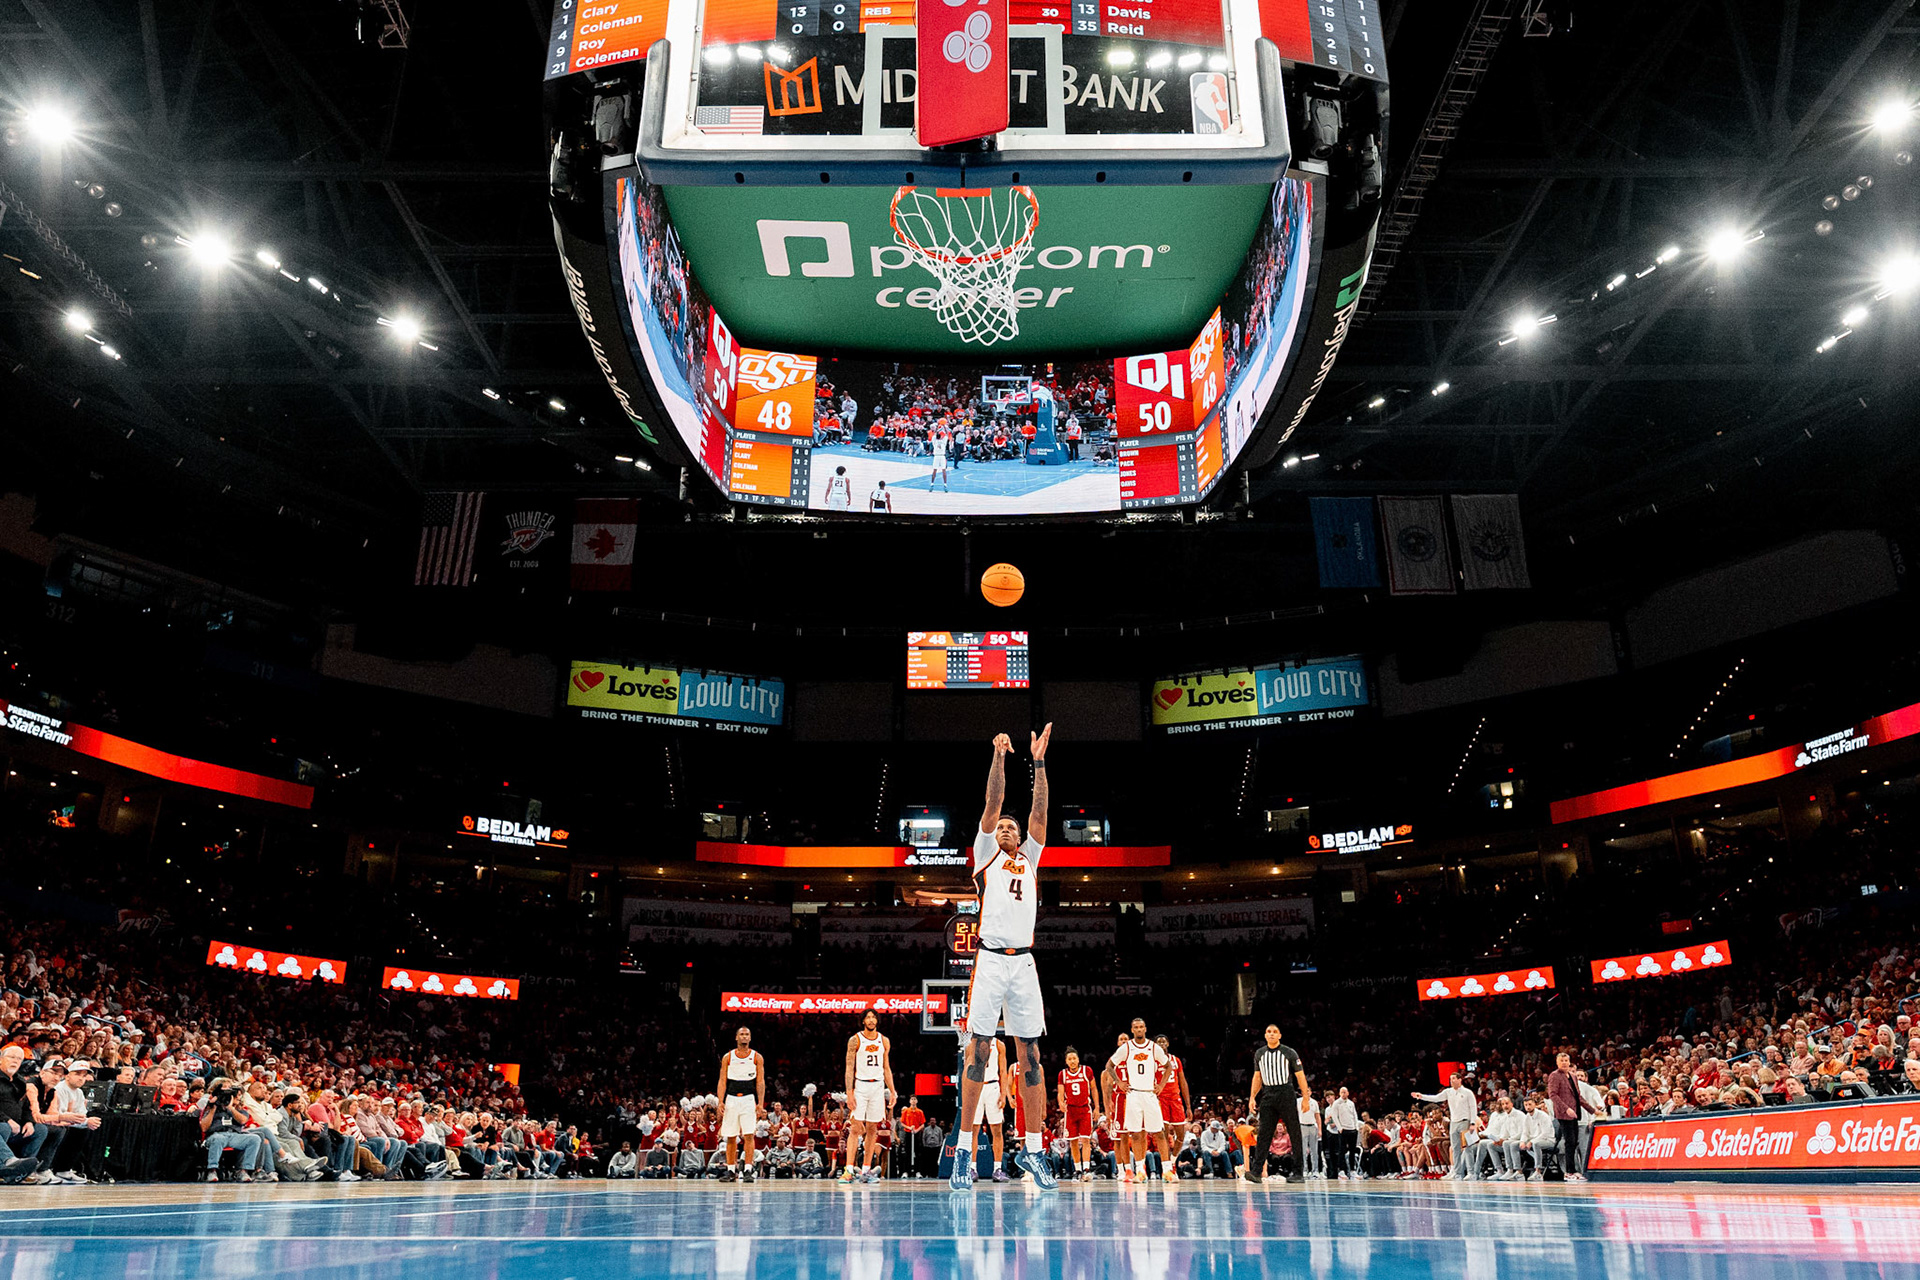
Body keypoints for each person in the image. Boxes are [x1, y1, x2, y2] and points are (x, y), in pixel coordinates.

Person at [950, 724, 1058, 1192]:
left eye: (1014, 829)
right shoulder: (985, 855)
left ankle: (1033, 1152)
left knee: (1030, 1055)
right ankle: (963, 1152)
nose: (1010, 829)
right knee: (977, 1050)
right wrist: (999, 756)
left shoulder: (1030, 857)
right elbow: (994, 805)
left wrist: (1037, 762)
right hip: (991, 961)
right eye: (1004, 828)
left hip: (1025, 963)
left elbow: (1039, 811)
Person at [1246, 1024, 1309, 1185]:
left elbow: (1300, 1076)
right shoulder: (1260, 1054)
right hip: (1267, 1094)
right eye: (1269, 1032)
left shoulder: (1289, 1052)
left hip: (1286, 1093)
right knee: (1264, 1134)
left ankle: (1298, 1172)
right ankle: (1256, 1172)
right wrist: (1252, 1097)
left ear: (1280, 1036)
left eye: (1275, 1032)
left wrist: (1306, 1098)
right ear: (1265, 1036)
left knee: (1294, 1133)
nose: (1272, 1034)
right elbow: (1257, 1077)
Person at [1110, 1019, 1172, 1182]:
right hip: (1133, 1094)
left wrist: (1162, 1084)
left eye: (1141, 1027)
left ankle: (1167, 1170)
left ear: (1145, 1029)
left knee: (1159, 1132)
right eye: (1135, 1027)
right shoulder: (1127, 1047)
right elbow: (1109, 1065)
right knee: (1136, 1134)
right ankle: (1140, 1171)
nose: (1138, 1029)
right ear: (1132, 1030)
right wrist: (1119, 1082)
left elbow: (1168, 1066)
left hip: (1150, 1094)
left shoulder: (1153, 1047)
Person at [840, 1009, 894, 1184]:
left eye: (873, 1017)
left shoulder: (884, 1040)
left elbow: (886, 1068)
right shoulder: (855, 1040)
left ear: (877, 1021)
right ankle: (848, 1170)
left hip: (878, 1086)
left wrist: (892, 1091)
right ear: (863, 1021)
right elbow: (849, 1067)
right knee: (855, 1128)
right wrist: (849, 1093)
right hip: (860, 1085)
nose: (871, 1020)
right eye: (868, 1017)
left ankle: (866, 1170)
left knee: (873, 1129)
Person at [714, 1026, 765, 1183]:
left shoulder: (757, 1057)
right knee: (730, 1136)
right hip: (731, 1098)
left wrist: (760, 1104)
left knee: (749, 1135)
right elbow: (722, 1080)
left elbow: (760, 1081)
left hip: (749, 1098)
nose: (744, 1037)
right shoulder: (728, 1057)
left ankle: (748, 1170)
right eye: (741, 1034)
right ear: (736, 1037)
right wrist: (720, 1101)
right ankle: (731, 1170)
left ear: (750, 1038)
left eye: (747, 1034)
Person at [1412, 1072, 1477, 1179]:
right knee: (1455, 1148)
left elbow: (1473, 1108)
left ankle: (1471, 1173)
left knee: (1467, 1147)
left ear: (1460, 1080)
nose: (1451, 1081)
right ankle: (1458, 1172)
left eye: (1453, 1079)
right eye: (1450, 1079)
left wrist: (1473, 1123)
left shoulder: (1467, 1092)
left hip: (1465, 1121)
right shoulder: (1448, 1092)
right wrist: (1421, 1096)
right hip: (1454, 1122)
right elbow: (1436, 1098)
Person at [1547, 1052, 1599, 1182]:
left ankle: (1573, 1170)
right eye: (1561, 1060)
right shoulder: (1554, 1076)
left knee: (1574, 1142)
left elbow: (1578, 1097)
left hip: (1575, 1113)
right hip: (1564, 1114)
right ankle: (1569, 1172)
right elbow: (1553, 1095)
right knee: (1569, 1142)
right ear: (1557, 1062)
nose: (1564, 1062)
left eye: (1566, 1060)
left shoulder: (1573, 1076)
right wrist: (1566, 1109)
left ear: (1569, 1062)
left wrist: (1592, 1110)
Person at [1057, 1046, 1097, 1181]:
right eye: (1070, 1059)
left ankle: (1086, 1169)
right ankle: (1077, 1170)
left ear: (1078, 1059)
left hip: (1085, 1109)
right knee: (1073, 1142)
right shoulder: (1063, 1074)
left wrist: (1096, 1107)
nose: (1072, 1061)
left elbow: (1094, 1089)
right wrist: (1061, 1103)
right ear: (1066, 1061)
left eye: (1074, 1058)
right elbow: (1060, 1093)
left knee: (1086, 1140)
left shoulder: (1087, 1071)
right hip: (1071, 1111)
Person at [1155, 1035, 1192, 1132]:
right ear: (1155, 1045)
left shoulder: (1175, 1060)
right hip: (1161, 1098)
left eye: (1164, 1042)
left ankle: (1176, 1148)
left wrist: (1188, 1106)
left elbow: (1183, 1083)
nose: (1162, 1044)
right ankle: (1165, 1148)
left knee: (1180, 1133)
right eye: (1159, 1042)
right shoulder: (1152, 1061)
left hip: (1175, 1098)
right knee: (1164, 1131)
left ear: (1168, 1044)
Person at [1323, 1087, 1359, 1179]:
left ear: (1348, 1093)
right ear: (1339, 1094)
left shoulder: (1351, 1103)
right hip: (1342, 1130)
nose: (1343, 1094)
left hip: (1352, 1129)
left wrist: (1356, 1127)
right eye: (1341, 1092)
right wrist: (1340, 1127)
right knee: (1341, 1151)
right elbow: (1334, 1116)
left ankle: (1352, 1171)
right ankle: (1342, 1171)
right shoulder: (1336, 1104)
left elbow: (1354, 1115)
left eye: (1345, 1092)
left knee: (1352, 1150)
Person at [1298, 1088, 1324, 1179]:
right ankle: (1304, 1170)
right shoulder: (1298, 1102)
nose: (1306, 1092)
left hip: (1313, 1126)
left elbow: (1318, 1117)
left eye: (1308, 1091)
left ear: (1311, 1092)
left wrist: (1320, 1129)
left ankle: (1315, 1171)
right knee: (1303, 1150)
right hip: (1302, 1126)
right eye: (1305, 1091)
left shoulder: (1314, 1102)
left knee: (1314, 1151)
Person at [897, 1096, 926, 1177]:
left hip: (916, 1133)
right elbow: (902, 1123)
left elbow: (923, 1124)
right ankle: (906, 1171)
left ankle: (918, 1171)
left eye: (914, 1099)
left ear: (917, 1101)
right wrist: (909, 1127)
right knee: (907, 1153)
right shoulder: (906, 1111)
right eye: (912, 1099)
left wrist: (917, 1130)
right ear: (910, 1101)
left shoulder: (920, 1112)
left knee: (918, 1153)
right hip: (908, 1133)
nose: (913, 1101)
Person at [928, 427, 951, 492]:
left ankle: (945, 485)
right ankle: (932, 484)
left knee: (944, 470)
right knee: (934, 470)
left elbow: (946, 434)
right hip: (936, 456)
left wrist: (944, 427)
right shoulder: (934, 440)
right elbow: (934, 434)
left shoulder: (944, 441)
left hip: (942, 456)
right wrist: (938, 428)